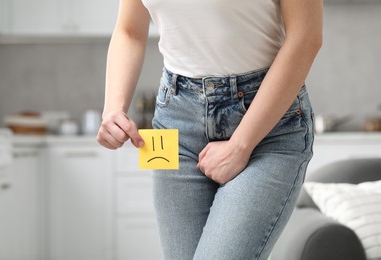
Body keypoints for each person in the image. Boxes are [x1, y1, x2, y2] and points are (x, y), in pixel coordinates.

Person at [97, 0, 323, 259]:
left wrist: (241, 144)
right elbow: (129, 31)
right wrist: (113, 108)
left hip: (267, 126)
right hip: (175, 119)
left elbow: (306, 38)